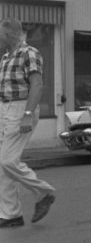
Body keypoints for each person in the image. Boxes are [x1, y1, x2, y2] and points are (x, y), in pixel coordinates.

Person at [0, 19, 56, 229]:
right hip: (5, 110)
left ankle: (44, 191)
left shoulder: (29, 53)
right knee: (2, 166)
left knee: (8, 161)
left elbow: (37, 84)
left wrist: (27, 114)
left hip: (21, 109)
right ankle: (10, 214)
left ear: (9, 34)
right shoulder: (5, 57)